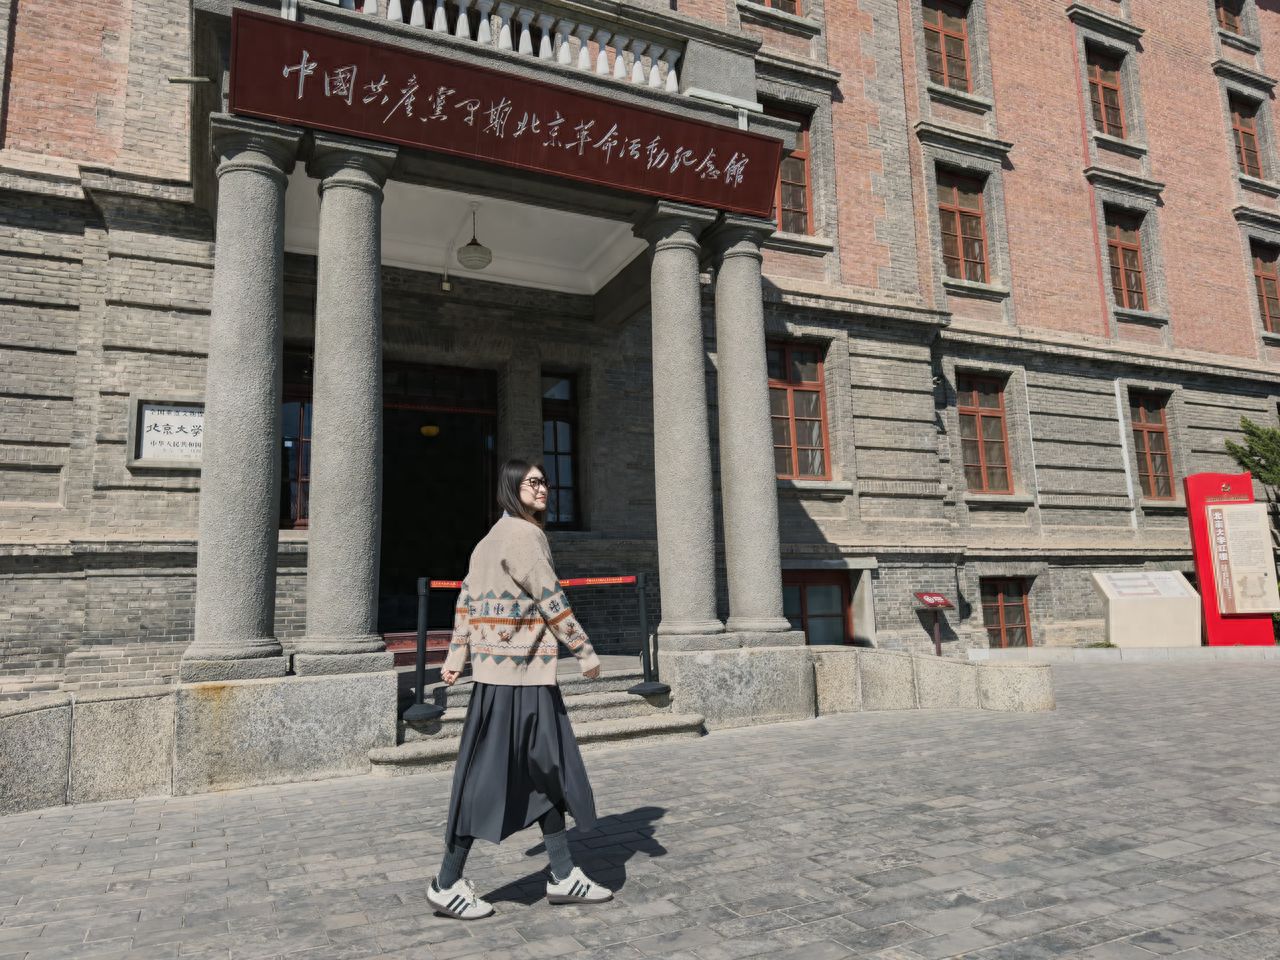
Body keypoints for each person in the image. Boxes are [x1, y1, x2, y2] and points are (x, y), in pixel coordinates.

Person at [426, 459, 614, 920]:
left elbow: (465, 603)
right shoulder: (526, 536)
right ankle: (446, 882)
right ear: (512, 488)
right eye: (532, 482)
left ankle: (563, 874)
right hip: (522, 678)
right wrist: (584, 650)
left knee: (543, 773)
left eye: (544, 481)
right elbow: (551, 596)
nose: (542, 488)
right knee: (498, 780)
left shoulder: (487, 540)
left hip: (499, 680)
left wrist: (455, 659)